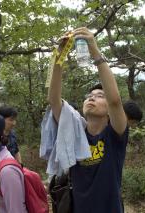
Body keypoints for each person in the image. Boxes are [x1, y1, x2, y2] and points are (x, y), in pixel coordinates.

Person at [47, 27, 128, 213]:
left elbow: (115, 101)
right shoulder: (74, 132)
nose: (92, 98)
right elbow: (54, 99)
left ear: (109, 111)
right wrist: (60, 55)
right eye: (89, 95)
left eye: (100, 96)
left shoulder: (114, 136)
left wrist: (95, 51)